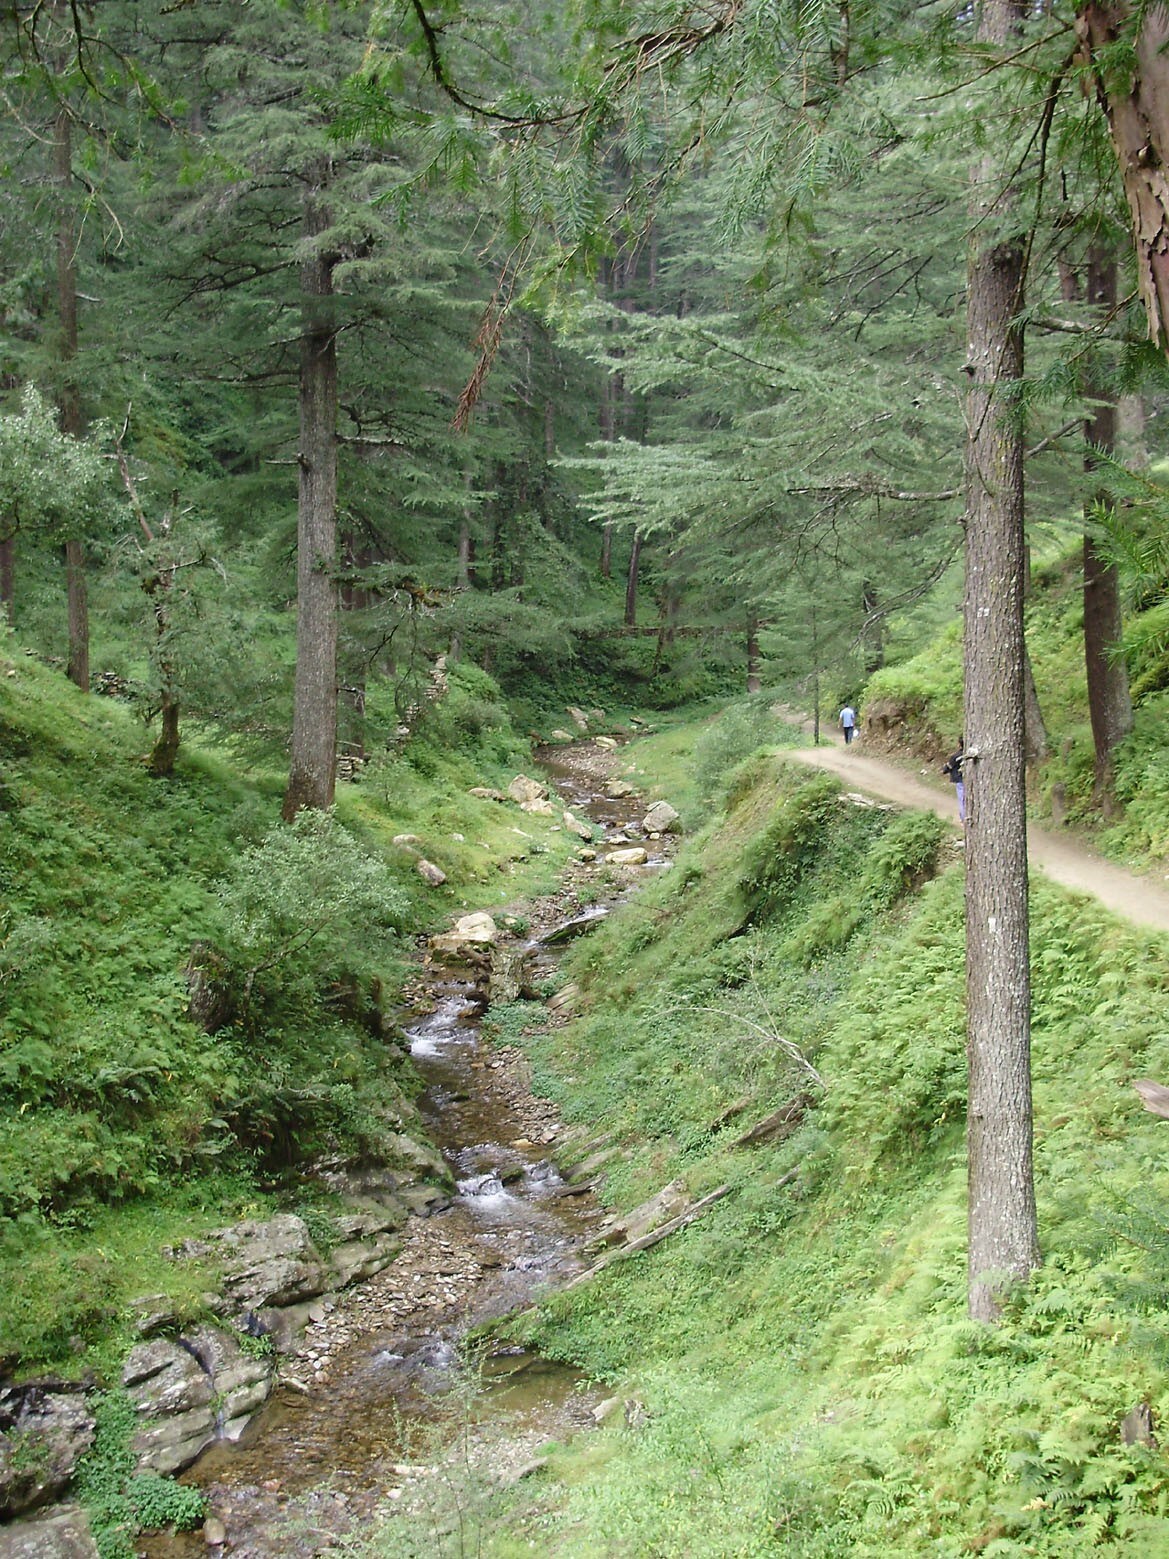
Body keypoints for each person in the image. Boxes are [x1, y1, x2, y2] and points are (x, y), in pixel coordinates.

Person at [942, 740, 965, 823]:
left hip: (960, 780)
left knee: (962, 799)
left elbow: (949, 766)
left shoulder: (956, 756)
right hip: (970, 780)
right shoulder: (968, 754)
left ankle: (963, 817)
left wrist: (944, 770)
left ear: (959, 744)